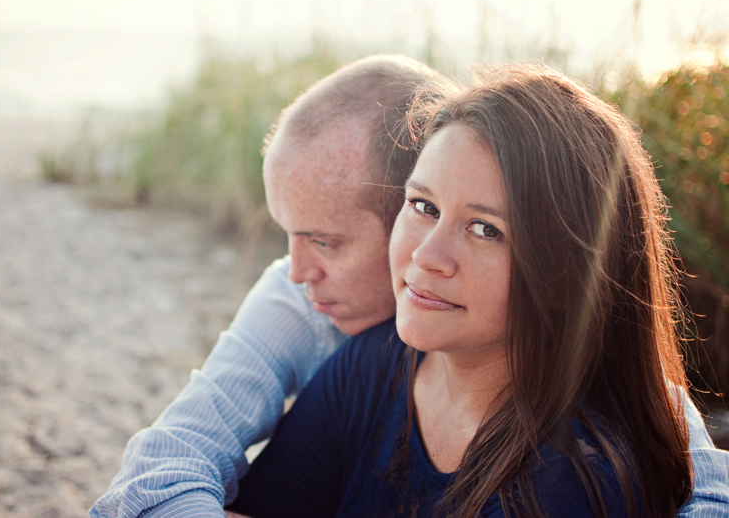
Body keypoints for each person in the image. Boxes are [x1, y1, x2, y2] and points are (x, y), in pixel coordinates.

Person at [91, 57, 729, 518]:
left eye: (485, 229)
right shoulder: (373, 362)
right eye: (423, 207)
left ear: (568, 272)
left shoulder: (571, 473)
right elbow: (164, 471)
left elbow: (685, 455)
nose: (427, 255)